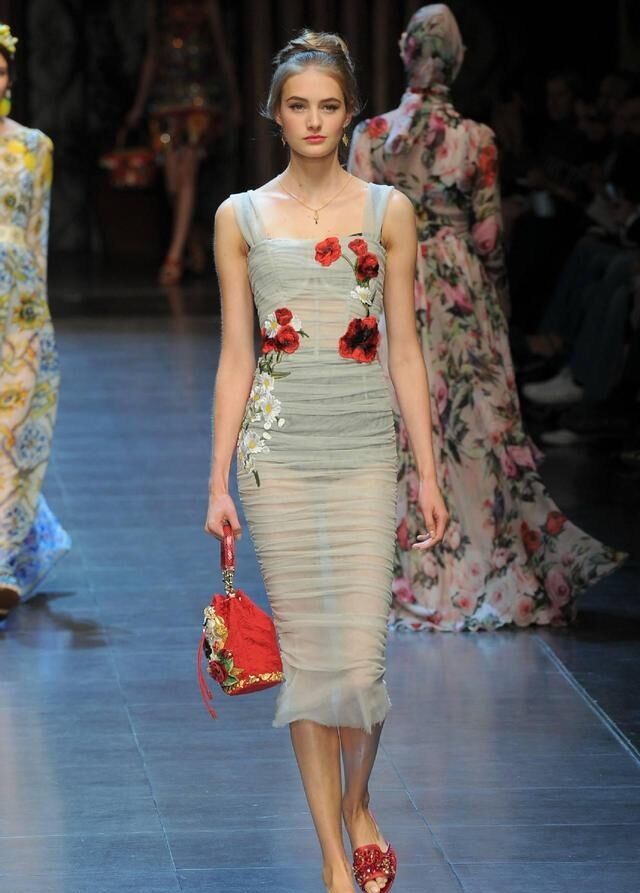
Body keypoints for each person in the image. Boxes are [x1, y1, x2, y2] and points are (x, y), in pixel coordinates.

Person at [205, 30, 448, 893]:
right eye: (298, 105)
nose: (314, 120)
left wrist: (428, 471)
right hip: (275, 456)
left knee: (363, 660)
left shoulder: (389, 211)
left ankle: (358, 800)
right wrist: (217, 479)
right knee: (311, 663)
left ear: (350, 115)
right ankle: (334, 861)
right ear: (275, 114)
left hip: (365, 450)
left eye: (330, 106)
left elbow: (406, 350)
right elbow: (236, 355)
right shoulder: (239, 216)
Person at [348, 4, 625, 632]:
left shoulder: (371, 136)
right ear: (458, 62)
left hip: (395, 285)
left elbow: (357, 236)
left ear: (406, 52)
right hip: (459, 295)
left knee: (401, 422)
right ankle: (478, 558)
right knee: (469, 424)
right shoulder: (477, 140)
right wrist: (495, 312)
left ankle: (400, 566)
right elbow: (490, 239)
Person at [0, 24, 71, 621]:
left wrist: (40, 318)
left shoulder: (34, 147)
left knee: (17, 428)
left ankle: (1, 562)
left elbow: (36, 234)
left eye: (1, 70)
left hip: (19, 310)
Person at [124, 0, 240, 285]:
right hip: (166, 100)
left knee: (186, 171)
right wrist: (137, 107)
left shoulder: (207, 6)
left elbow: (221, 52)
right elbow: (152, 58)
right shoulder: (158, 9)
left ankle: (174, 257)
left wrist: (234, 99)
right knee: (172, 183)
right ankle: (193, 236)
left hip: (199, 99)